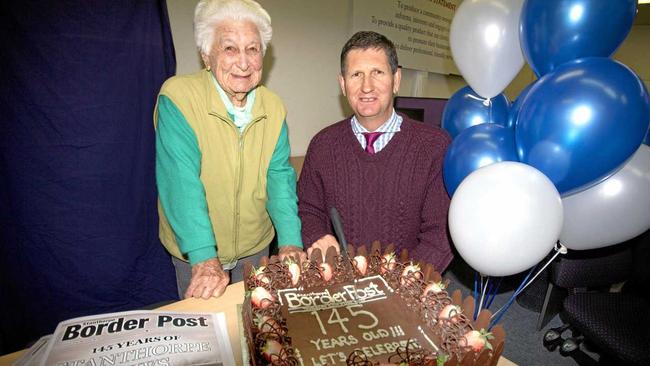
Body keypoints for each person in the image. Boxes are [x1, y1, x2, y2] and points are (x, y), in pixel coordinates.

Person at [154, 0, 304, 300]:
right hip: (196, 250)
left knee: (261, 330)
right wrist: (203, 257)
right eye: (230, 48)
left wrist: (290, 241)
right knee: (207, 337)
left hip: (255, 246)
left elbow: (279, 178)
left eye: (253, 48)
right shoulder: (179, 97)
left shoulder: (273, 106)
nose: (244, 62)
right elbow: (181, 182)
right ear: (206, 55)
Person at [298, 31, 453, 272]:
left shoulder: (434, 147)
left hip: (408, 288)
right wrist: (317, 236)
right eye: (356, 74)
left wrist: (403, 281)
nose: (366, 86)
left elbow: (440, 232)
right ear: (342, 83)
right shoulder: (322, 145)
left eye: (377, 73)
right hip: (340, 283)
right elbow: (308, 209)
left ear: (396, 79)